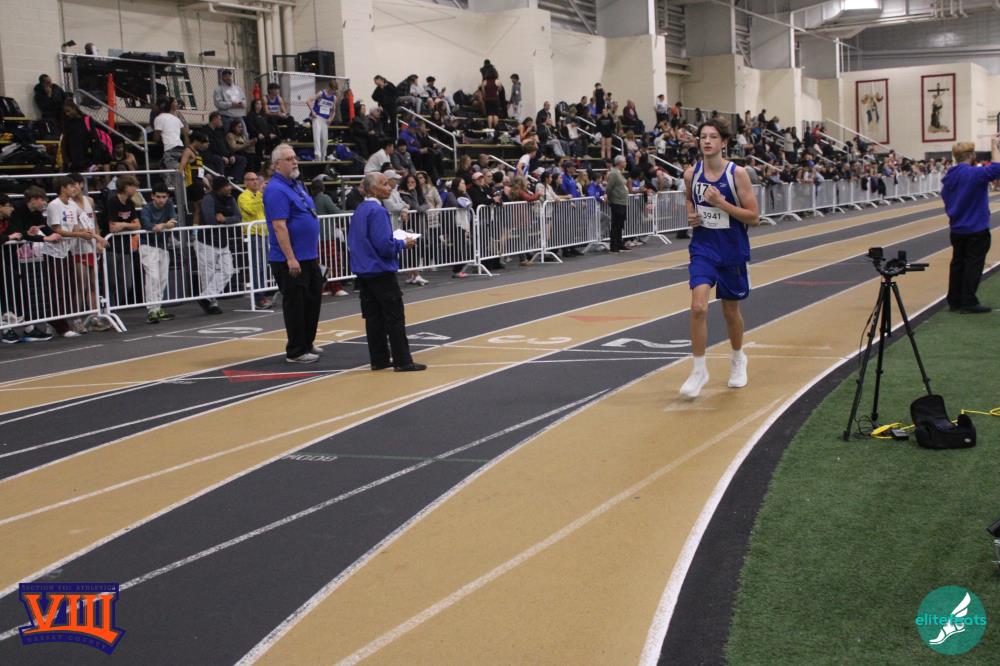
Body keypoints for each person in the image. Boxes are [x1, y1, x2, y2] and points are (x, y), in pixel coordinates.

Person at [680, 119, 760, 399]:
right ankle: (699, 369)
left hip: (732, 250)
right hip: (703, 248)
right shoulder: (691, 174)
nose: (707, 141)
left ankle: (738, 358)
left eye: (713, 136)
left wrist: (721, 203)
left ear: (724, 142)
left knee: (730, 311)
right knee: (698, 307)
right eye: (703, 136)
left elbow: (754, 217)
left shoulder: (737, 174)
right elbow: (689, 198)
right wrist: (691, 214)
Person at [347, 172, 425, 372]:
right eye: (384, 184)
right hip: (380, 271)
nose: (389, 187)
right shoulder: (377, 211)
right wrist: (403, 243)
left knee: (373, 318)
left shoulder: (360, 210)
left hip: (364, 272)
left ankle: (379, 359)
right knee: (394, 317)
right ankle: (402, 360)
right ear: (373, 189)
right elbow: (384, 245)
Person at [263, 144, 325, 363]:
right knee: (296, 304)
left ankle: (307, 341)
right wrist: (290, 257)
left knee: (312, 300)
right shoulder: (275, 190)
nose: (295, 161)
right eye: (289, 159)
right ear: (277, 164)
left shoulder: (296, 185)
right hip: (290, 258)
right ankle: (296, 350)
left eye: (295, 157)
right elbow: (279, 226)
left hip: (308, 256)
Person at [941, 135, 1000, 314]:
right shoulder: (974, 174)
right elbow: (997, 168)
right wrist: (994, 147)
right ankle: (968, 301)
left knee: (958, 263)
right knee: (973, 265)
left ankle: (954, 300)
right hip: (976, 227)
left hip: (957, 227)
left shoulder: (949, 177)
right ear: (972, 155)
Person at [197, 177, 239, 315]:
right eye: (227, 186)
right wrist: (223, 219)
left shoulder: (231, 199)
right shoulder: (208, 198)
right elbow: (210, 219)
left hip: (223, 242)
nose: (230, 188)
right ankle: (212, 304)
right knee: (207, 275)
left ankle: (205, 297)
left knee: (228, 270)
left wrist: (224, 219)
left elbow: (238, 217)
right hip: (206, 241)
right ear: (219, 188)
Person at [138, 183, 178, 323]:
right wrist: (162, 225)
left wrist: (163, 225)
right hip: (148, 246)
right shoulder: (146, 209)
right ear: (152, 196)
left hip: (163, 246)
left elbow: (173, 222)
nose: (161, 200)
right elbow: (147, 225)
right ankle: (152, 310)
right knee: (152, 278)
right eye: (159, 197)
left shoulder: (169, 205)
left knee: (162, 279)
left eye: (164, 197)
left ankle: (158, 308)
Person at [237, 172, 273, 308]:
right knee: (256, 266)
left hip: (264, 233)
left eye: (256, 179)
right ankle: (258, 297)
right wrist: (260, 195)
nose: (255, 182)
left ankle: (262, 294)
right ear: (245, 182)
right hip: (253, 234)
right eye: (251, 180)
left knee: (263, 266)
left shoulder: (260, 195)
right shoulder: (243, 197)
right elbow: (251, 210)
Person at [307, 80, 338, 161]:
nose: (333, 92)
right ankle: (317, 156)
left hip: (325, 120)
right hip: (317, 117)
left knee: (324, 140)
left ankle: (323, 157)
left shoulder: (334, 98)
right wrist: (312, 111)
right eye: (332, 90)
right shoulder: (321, 93)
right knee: (317, 138)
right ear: (329, 87)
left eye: (334, 91)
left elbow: (333, 111)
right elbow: (308, 100)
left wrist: (330, 119)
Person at [607, 155, 629, 252]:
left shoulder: (620, 173)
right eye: (624, 162)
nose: (626, 163)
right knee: (615, 224)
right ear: (620, 163)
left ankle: (619, 243)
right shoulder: (614, 173)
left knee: (620, 224)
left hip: (622, 201)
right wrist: (609, 198)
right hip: (617, 201)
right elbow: (609, 187)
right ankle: (613, 245)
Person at [213, 69, 246, 133]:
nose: (228, 77)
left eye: (229, 75)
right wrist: (231, 104)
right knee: (229, 135)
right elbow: (218, 103)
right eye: (226, 76)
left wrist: (241, 103)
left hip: (239, 116)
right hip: (227, 117)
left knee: (244, 134)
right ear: (222, 77)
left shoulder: (238, 88)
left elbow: (244, 100)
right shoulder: (218, 89)